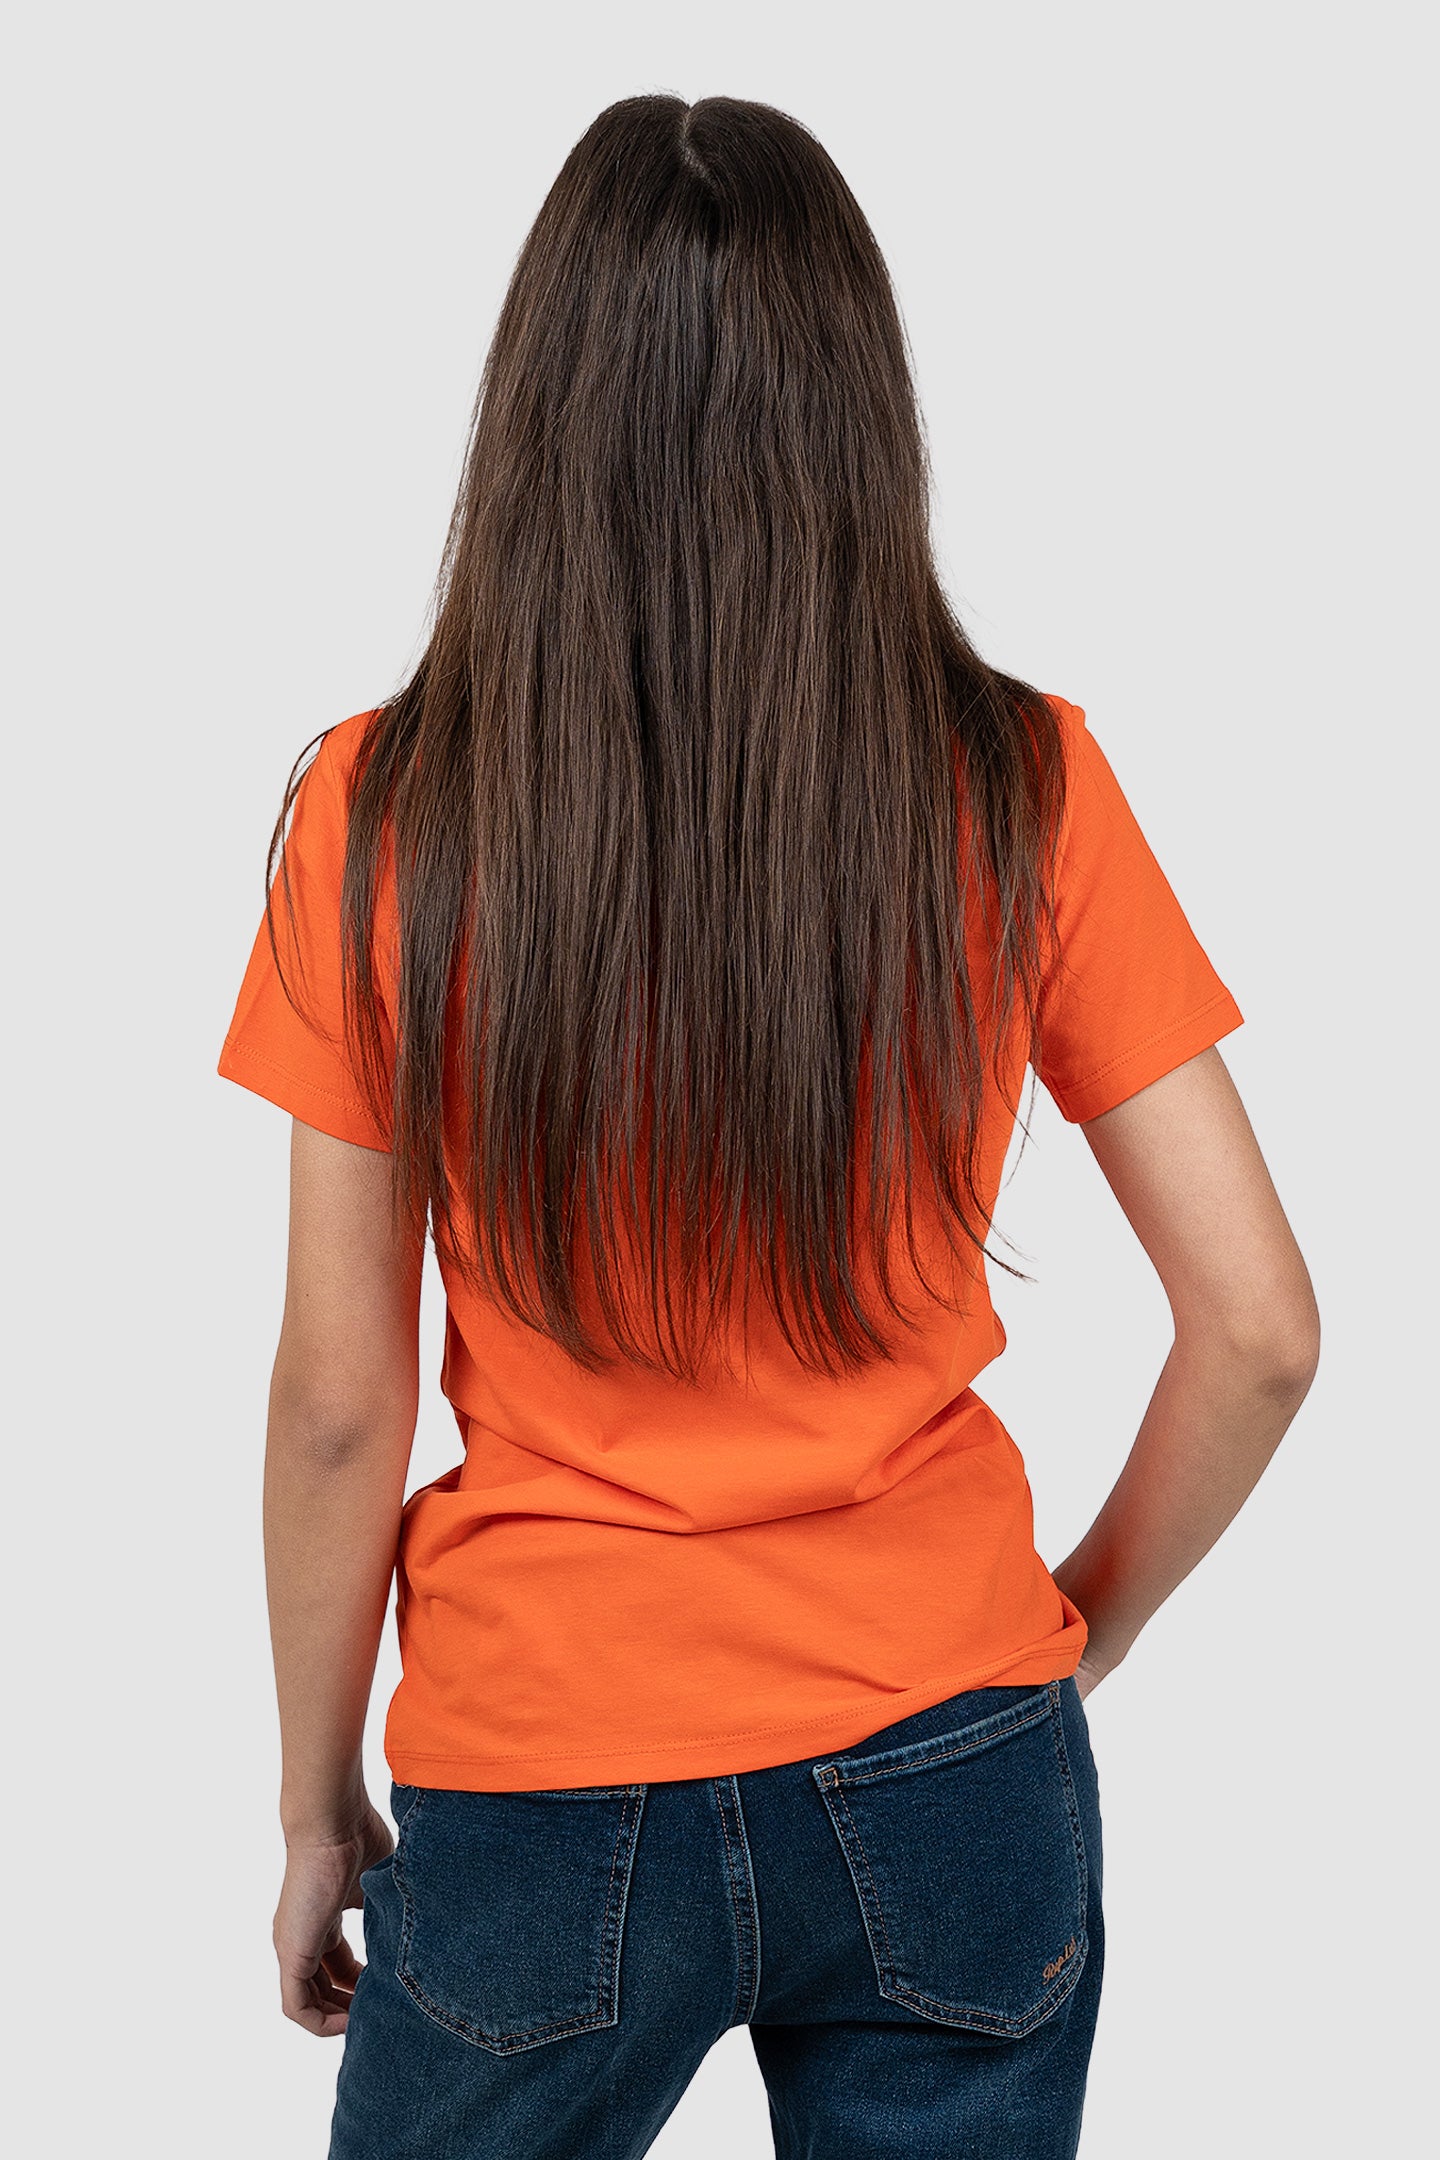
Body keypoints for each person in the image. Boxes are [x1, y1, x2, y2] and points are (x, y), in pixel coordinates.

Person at [218, 94, 1319, 2160]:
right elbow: (1259, 1327)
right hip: (951, 1752)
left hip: (547, 1767)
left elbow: (340, 1407)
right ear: (856, 413)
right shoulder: (1018, 784)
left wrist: (309, 1807)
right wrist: (1062, 1640)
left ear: (538, 416)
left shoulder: (387, 815)